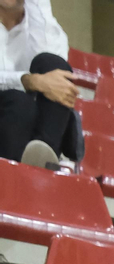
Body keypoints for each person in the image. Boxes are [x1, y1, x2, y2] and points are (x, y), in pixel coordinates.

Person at [0, 0, 76, 168]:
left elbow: (54, 72)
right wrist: (28, 81)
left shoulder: (51, 32)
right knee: (19, 103)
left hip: (29, 126)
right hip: (10, 114)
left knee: (53, 63)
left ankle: (43, 153)